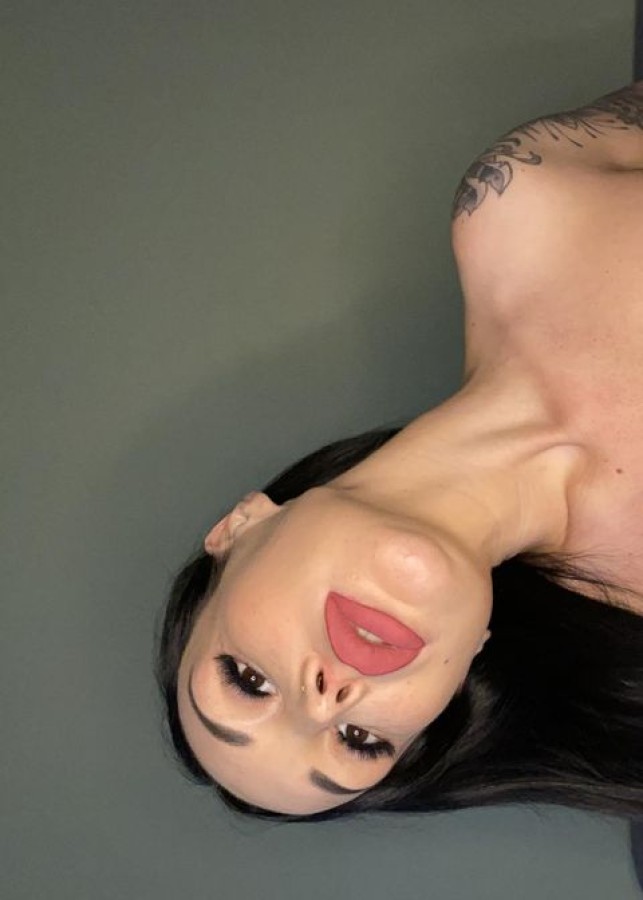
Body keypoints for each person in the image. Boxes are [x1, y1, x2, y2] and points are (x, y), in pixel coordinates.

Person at [155, 82, 643, 822]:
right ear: (464, 665)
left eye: (248, 682)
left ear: (239, 527)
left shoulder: (520, 206)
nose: (326, 700)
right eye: (359, 741)